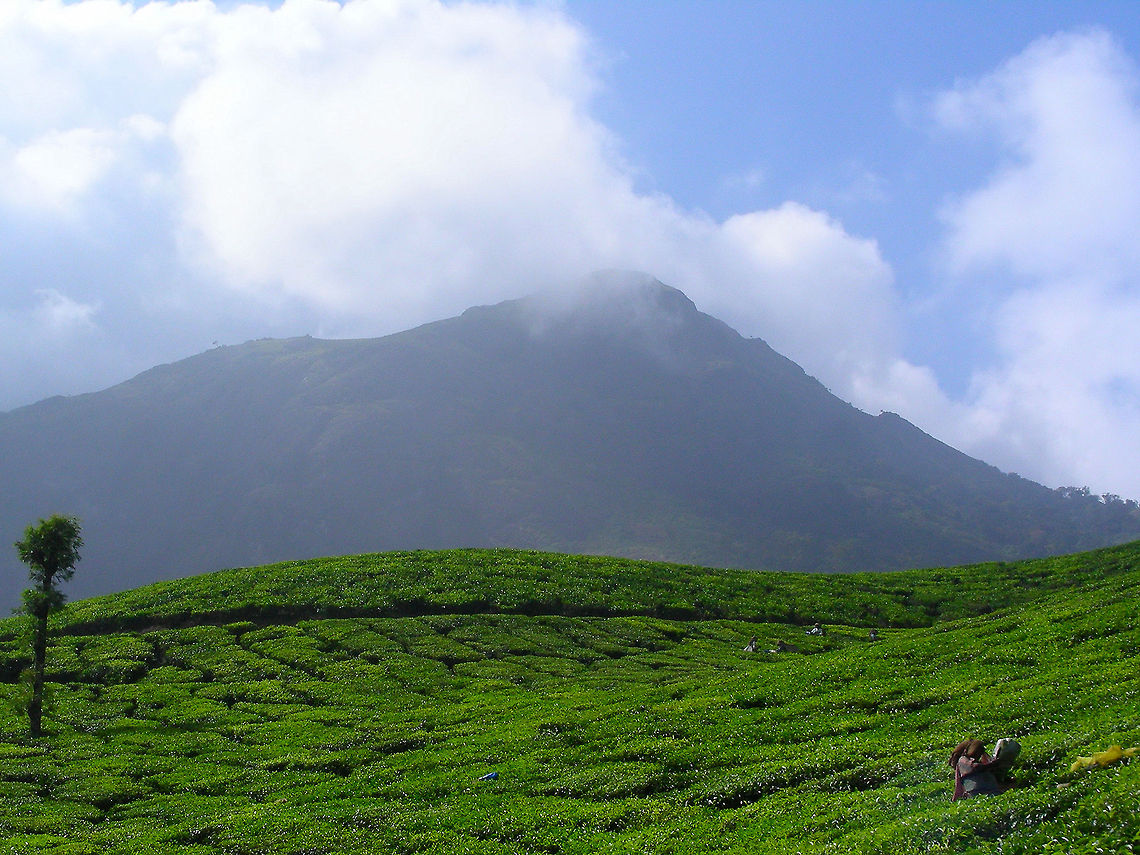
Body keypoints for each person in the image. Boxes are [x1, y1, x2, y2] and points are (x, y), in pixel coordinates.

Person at [948, 738, 1020, 800]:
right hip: (977, 795)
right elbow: (975, 768)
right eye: (980, 749)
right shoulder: (963, 760)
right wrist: (995, 763)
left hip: (990, 791)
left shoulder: (975, 761)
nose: (982, 752)